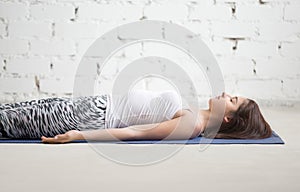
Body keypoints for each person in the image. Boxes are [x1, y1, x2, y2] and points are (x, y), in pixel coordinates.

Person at [0, 89, 272, 144]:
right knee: (11, 111)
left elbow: (134, 133)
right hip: (91, 105)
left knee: (6, 122)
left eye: (232, 100)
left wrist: (77, 136)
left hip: (88, 119)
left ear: (228, 119)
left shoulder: (192, 124)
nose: (226, 94)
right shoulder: (195, 113)